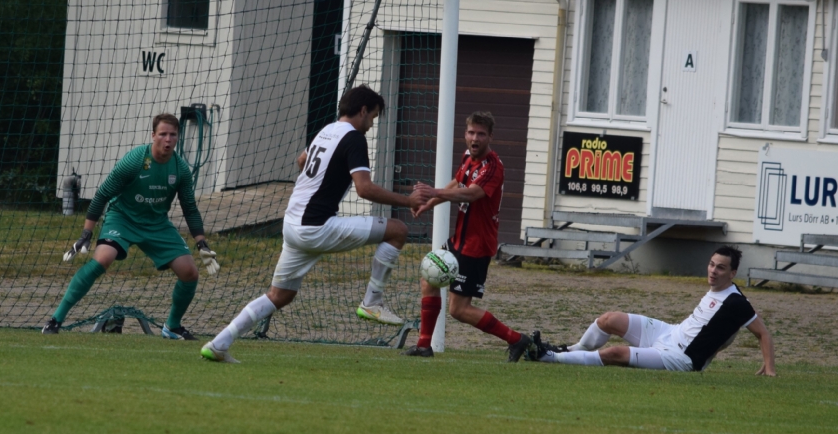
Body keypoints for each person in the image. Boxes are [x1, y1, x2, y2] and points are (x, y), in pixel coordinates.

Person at [201, 85, 425, 363]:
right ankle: (372, 302)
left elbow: (302, 160)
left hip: (292, 224)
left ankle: (219, 344)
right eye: (373, 117)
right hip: (316, 227)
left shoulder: (326, 130)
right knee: (397, 230)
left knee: (280, 295)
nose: (370, 125)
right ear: (363, 110)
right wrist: (408, 200)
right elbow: (364, 189)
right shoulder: (354, 138)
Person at [41, 113, 219, 340]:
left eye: (173, 135)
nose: (167, 139)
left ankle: (172, 327)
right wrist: (86, 233)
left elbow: (190, 209)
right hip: (122, 218)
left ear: (178, 137)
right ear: (153, 135)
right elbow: (102, 194)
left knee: (190, 272)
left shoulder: (181, 169)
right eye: (163, 134)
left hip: (157, 224)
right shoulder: (135, 160)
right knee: (103, 259)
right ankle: (55, 320)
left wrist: (201, 243)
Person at [402, 111, 532, 362]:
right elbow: (458, 182)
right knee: (429, 279)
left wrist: (433, 192)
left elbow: (471, 194)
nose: (475, 138)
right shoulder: (467, 157)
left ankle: (517, 339)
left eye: (481, 134)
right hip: (460, 240)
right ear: (465, 134)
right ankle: (423, 346)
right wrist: (430, 203)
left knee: (459, 310)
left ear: (490, 137)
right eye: (471, 132)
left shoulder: (492, 166)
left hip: (476, 245)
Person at [528, 246, 776, 375]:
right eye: (711, 264)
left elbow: (763, 333)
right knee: (608, 319)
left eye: (720, 268)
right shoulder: (717, 289)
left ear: (733, 273)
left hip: (681, 358)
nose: (713, 271)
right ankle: (569, 350)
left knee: (614, 353)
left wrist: (770, 368)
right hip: (670, 333)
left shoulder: (736, 302)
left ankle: (547, 356)